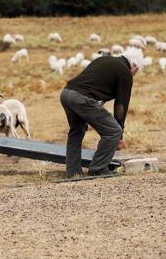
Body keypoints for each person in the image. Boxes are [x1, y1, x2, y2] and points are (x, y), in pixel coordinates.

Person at [60, 49, 142, 178]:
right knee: (113, 131)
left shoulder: (104, 59)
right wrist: (119, 134)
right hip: (81, 98)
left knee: (77, 131)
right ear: (134, 65)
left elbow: (95, 86)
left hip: (66, 93)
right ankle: (98, 168)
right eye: (137, 71)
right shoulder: (125, 72)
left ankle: (73, 172)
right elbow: (121, 106)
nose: (135, 74)